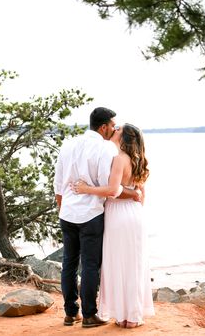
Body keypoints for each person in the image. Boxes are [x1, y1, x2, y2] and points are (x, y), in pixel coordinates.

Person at [54, 108, 141, 328]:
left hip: (68, 214)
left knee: (69, 263)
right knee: (90, 265)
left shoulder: (68, 144)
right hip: (91, 215)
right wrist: (133, 193)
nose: (114, 129)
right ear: (103, 127)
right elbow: (111, 189)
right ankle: (89, 315)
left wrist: (63, 209)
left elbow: (58, 183)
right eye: (112, 125)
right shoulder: (105, 150)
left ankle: (70, 313)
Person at [72, 123, 155, 328]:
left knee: (117, 264)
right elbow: (142, 195)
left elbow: (111, 190)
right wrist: (133, 202)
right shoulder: (138, 160)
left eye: (117, 130)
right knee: (133, 265)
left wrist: (85, 189)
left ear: (123, 138)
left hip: (118, 215)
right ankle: (132, 315)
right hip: (135, 215)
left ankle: (123, 315)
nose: (113, 130)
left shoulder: (119, 159)